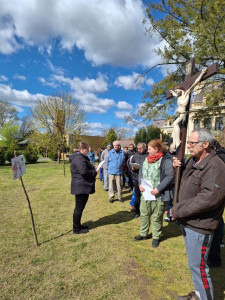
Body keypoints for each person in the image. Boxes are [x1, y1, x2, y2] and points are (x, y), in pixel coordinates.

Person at [170, 129, 225, 300]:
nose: (188, 146)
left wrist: (177, 210)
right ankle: (199, 295)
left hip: (201, 225)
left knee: (199, 267)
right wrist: (176, 169)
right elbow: (184, 184)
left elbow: (209, 199)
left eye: (192, 143)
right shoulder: (194, 161)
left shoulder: (216, 166)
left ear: (205, 144)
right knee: (194, 265)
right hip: (189, 221)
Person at [134, 139, 174, 248]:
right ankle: (143, 233)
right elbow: (141, 173)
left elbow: (170, 176)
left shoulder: (166, 160)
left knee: (157, 216)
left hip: (159, 195)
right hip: (145, 194)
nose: (147, 150)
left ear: (156, 149)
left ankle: (156, 237)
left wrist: (159, 189)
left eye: (150, 149)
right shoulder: (146, 159)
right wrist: (140, 185)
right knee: (144, 214)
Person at [169, 67, 207, 151]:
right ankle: (175, 142)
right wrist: (172, 92)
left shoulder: (186, 94)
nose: (177, 92)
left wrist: (202, 73)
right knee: (174, 126)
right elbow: (174, 94)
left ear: (181, 90)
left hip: (182, 113)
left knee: (175, 124)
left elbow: (194, 83)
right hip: (177, 114)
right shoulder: (178, 97)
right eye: (176, 91)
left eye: (178, 90)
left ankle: (177, 141)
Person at [69, 142, 97, 234]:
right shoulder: (79, 158)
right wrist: (94, 172)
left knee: (80, 207)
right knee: (79, 208)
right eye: (87, 150)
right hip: (81, 186)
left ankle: (78, 225)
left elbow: (84, 169)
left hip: (81, 185)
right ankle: (76, 228)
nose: (88, 151)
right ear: (82, 149)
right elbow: (83, 171)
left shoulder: (79, 157)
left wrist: (92, 168)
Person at [129, 142, 148, 218]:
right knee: (137, 195)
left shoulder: (148, 156)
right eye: (138, 148)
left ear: (144, 148)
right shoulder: (135, 156)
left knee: (145, 195)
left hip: (145, 179)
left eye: (141, 148)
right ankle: (137, 211)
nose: (139, 150)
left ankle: (145, 211)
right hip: (136, 178)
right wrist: (132, 167)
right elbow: (130, 164)